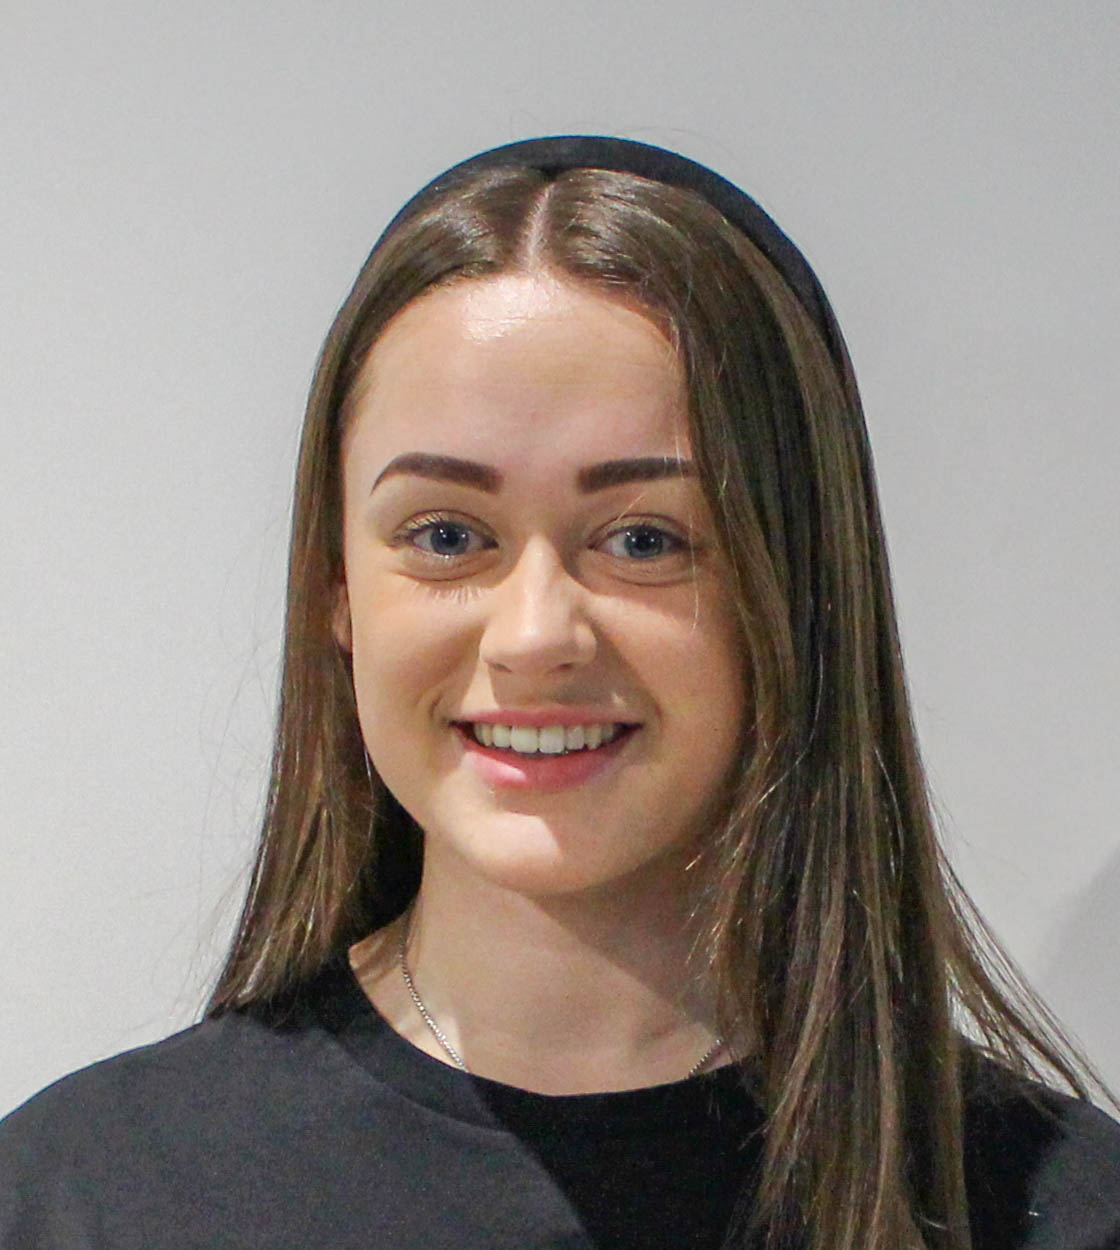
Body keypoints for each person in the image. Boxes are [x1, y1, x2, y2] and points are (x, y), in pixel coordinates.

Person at [1, 135, 1118, 1250]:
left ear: (798, 589)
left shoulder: (1055, 1208)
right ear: (336, 589)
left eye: (644, 539)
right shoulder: (79, 1196)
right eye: (447, 535)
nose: (535, 636)